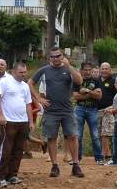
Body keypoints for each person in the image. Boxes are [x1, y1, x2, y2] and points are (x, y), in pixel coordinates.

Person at [29, 47, 84, 178]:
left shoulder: (68, 69)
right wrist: (38, 98)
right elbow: (30, 83)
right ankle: (54, 166)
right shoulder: (44, 70)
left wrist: (69, 66)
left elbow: (79, 81)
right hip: (51, 110)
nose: (55, 58)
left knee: (73, 136)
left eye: (57, 56)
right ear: (50, 58)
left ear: (62, 56)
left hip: (67, 109)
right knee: (51, 137)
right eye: (52, 56)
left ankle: (76, 165)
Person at [0, 61, 35, 187]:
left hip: (22, 121)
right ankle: (0, 176)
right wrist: (0, 115)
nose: (23, 74)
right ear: (13, 71)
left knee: (18, 150)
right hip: (9, 121)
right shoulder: (5, 82)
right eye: (20, 72)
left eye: (24, 72)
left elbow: (28, 104)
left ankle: (12, 175)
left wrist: (31, 121)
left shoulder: (25, 86)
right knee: (6, 149)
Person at [73, 61, 103, 164]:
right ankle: (77, 158)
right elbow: (75, 96)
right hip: (79, 108)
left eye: (89, 70)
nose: (87, 72)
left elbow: (99, 96)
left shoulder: (97, 81)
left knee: (95, 135)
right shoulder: (77, 81)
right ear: (81, 71)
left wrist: (87, 91)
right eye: (85, 70)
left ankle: (99, 158)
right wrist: (91, 94)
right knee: (78, 135)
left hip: (93, 109)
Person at [96, 62, 117, 162]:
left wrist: (112, 108)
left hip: (108, 110)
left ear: (110, 70)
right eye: (102, 68)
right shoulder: (96, 81)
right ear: (100, 70)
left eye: (106, 69)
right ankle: (105, 153)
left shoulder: (113, 81)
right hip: (96, 110)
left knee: (106, 132)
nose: (104, 70)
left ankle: (105, 154)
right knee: (99, 133)